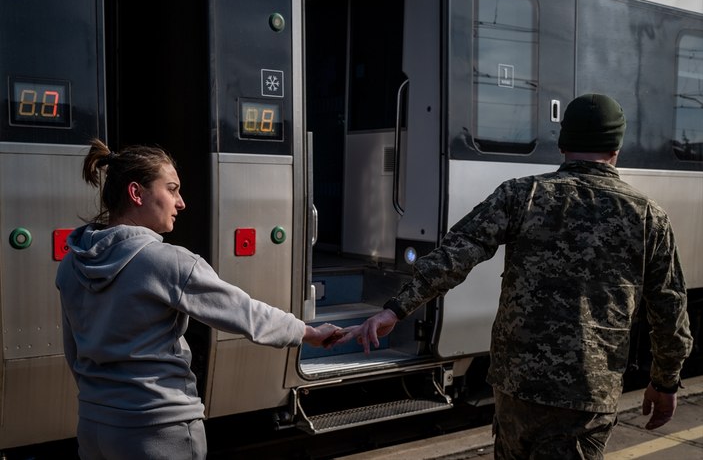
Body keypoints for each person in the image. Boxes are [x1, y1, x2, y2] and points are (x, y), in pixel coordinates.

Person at [336, 94, 693, 459]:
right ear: (617, 146)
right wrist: (664, 381)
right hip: (585, 393)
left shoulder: (523, 195)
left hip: (515, 385)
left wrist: (394, 310)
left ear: (563, 143)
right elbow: (669, 310)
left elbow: (454, 255)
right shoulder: (647, 216)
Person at [56, 139, 340, 460]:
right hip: (157, 427)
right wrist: (307, 332)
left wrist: (102, 402)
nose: (181, 203)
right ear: (136, 193)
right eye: (172, 189)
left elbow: (73, 349)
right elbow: (243, 313)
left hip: (95, 426)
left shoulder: (73, 264)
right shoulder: (168, 262)